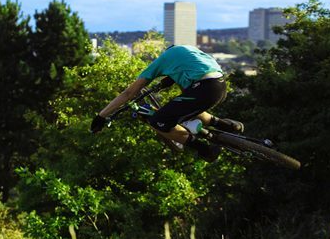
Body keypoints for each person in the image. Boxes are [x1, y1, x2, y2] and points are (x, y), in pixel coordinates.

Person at [90, 44, 243, 162]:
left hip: (204, 89)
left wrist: (101, 116)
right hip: (220, 86)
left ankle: (204, 149)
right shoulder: (189, 50)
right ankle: (226, 125)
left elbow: (129, 93)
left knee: (158, 121)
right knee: (183, 104)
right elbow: (193, 79)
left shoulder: (162, 60)